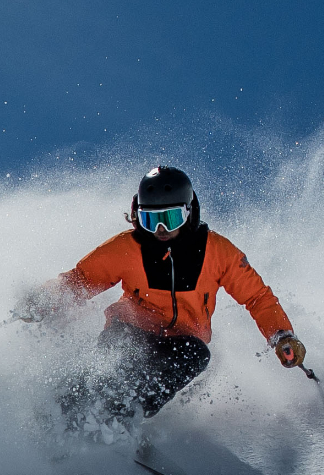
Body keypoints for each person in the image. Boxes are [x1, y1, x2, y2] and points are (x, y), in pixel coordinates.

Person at [16, 166, 306, 433]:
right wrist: (45, 299)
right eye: (150, 219)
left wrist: (281, 335)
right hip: (131, 328)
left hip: (181, 342)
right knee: (115, 358)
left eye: (169, 218)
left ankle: (124, 416)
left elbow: (257, 297)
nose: (160, 230)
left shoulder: (218, 252)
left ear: (189, 212)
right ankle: (60, 408)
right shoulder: (126, 248)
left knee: (196, 355)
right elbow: (81, 280)